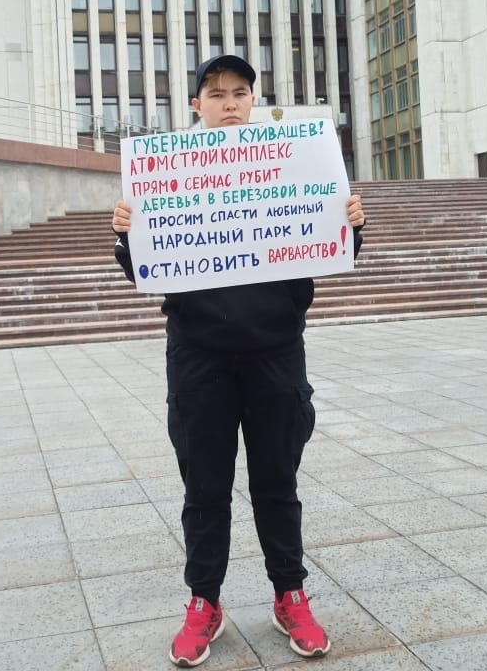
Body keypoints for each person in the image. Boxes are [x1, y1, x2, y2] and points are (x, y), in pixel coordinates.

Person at [111, 54, 365, 667]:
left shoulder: (296, 164)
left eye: (240, 92)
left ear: (254, 101)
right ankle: (205, 602)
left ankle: (289, 593)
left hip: (276, 352)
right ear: (196, 105)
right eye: (216, 92)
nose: (229, 101)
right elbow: (151, 271)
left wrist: (350, 224)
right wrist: (128, 237)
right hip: (199, 357)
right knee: (205, 488)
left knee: (277, 484)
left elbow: (323, 246)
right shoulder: (169, 176)